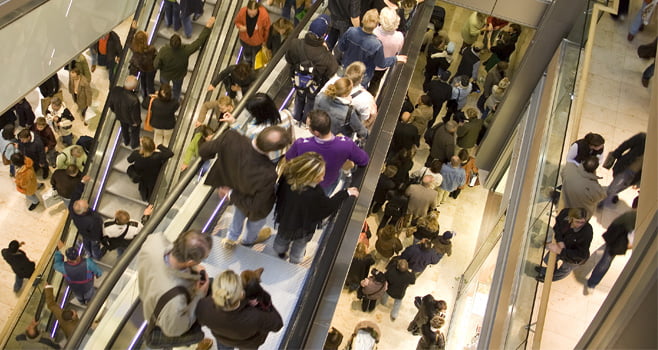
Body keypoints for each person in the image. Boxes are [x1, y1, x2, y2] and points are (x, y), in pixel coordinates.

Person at [199, 126, 292, 247]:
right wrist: (231, 193)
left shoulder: (231, 137)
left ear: (259, 133)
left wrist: (230, 192)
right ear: (274, 150)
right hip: (254, 205)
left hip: (236, 193)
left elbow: (203, 151)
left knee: (238, 214)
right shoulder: (268, 173)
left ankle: (231, 238)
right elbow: (256, 205)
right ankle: (248, 240)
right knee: (255, 222)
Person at [274, 152, 359, 263]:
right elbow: (326, 208)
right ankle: (295, 260)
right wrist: (345, 193)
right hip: (303, 227)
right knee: (300, 245)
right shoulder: (315, 193)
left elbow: (278, 195)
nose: (323, 179)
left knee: (282, 238)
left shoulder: (286, 178)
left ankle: (279, 251)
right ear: (309, 175)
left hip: (286, 220)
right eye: (320, 175)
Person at [137, 230, 212, 338]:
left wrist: (193, 268)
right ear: (190, 262)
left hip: (150, 294)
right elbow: (175, 330)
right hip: (165, 318)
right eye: (203, 258)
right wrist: (199, 295)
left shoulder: (154, 241)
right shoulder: (175, 301)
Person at [195, 270, 283, 349]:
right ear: (241, 294)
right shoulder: (255, 316)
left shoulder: (202, 306)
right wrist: (260, 294)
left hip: (222, 338)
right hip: (248, 343)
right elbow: (278, 324)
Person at [285, 14, 339, 123]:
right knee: (311, 101)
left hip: (297, 79)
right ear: (324, 35)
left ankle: (295, 118)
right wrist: (327, 51)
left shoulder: (295, 43)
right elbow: (332, 70)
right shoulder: (325, 55)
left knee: (299, 96)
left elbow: (288, 59)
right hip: (314, 85)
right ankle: (306, 121)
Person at [337, 9, 407, 88]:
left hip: (347, 67)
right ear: (376, 24)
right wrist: (395, 58)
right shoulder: (376, 45)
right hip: (363, 75)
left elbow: (341, 47)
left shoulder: (351, 31)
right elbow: (381, 63)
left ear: (363, 20)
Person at [585, 197, 638, 295]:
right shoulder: (636, 219)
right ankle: (592, 283)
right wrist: (628, 246)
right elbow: (631, 240)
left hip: (614, 235)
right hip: (618, 240)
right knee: (606, 261)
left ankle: (592, 283)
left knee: (606, 255)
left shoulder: (629, 215)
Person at [155, 16, 215, 101]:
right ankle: (176, 100)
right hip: (179, 75)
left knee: (164, 88)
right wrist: (207, 27)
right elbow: (198, 42)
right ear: (180, 43)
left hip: (165, 75)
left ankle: (165, 99)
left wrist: (162, 67)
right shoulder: (186, 51)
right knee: (177, 89)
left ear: (170, 43)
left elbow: (156, 64)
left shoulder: (163, 51)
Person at [221, 93, 294, 161]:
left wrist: (233, 123)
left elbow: (246, 142)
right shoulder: (286, 114)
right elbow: (292, 136)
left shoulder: (255, 130)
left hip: (268, 159)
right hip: (285, 152)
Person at [536, 207, 593, 282]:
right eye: (577, 222)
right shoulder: (565, 214)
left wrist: (560, 251)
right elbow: (557, 227)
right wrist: (560, 241)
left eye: (583, 222)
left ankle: (549, 278)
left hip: (574, 257)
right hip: (562, 246)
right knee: (548, 260)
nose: (580, 225)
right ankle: (549, 272)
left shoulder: (587, 231)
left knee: (563, 270)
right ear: (571, 218)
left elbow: (581, 255)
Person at [600, 132, 645, 206]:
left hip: (635, 176)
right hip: (626, 169)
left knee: (620, 187)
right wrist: (615, 155)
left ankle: (609, 195)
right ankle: (602, 202)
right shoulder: (642, 138)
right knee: (614, 187)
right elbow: (625, 145)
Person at [369, 7, 405, 94]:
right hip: (383, 66)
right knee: (375, 83)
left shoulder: (372, 32)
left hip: (368, 63)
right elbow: (398, 50)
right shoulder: (399, 37)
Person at [127, 136, 174, 201]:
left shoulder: (136, 154)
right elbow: (170, 153)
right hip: (155, 177)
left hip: (143, 178)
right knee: (155, 189)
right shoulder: (157, 156)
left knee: (144, 189)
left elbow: (129, 160)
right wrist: (159, 146)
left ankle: (146, 198)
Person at [69, 177, 105, 260]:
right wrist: (100, 238)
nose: (86, 201)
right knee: (95, 246)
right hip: (93, 236)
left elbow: (75, 195)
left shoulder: (72, 208)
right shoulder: (92, 220)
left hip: (84, 233)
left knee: (86, 243)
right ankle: (97, 256)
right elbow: (97, 232)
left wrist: (82, 182)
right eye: (86, 205)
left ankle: (88, 253)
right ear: (84, 211)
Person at [127, 21, 158, 103]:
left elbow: (129, 40)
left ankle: (144, 96)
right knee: (150, 84)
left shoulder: (134, 47)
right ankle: (151, 100)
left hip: (140, 68)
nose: (146, 33)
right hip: (150, 69)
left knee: (143, 81)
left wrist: (133, 29)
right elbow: (157, 59)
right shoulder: (151, 50)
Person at [108, 75, 142, 149]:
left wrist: (116, 111)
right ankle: (134, 144)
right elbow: (135, 114)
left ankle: (126, 141)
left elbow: (110, 104)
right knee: (134, 133)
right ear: (133, 87)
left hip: (120, 116)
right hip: (131, 120)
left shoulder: (115, 90)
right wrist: (136, 122)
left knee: (124, 128)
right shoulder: (134, 100)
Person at [234, 1, 271, 66]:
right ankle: (247, 65)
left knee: (256, 57)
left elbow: (267, 29)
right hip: (245, 40)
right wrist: (240, 27)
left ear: (257, 9)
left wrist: (265, 41)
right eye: (249, 13)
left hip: (257, 42)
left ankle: (253, 67)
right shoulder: (242, 11)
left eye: (253, 14)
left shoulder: (264, 15)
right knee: (246, 55)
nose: (251, 16)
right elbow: (237, 21)